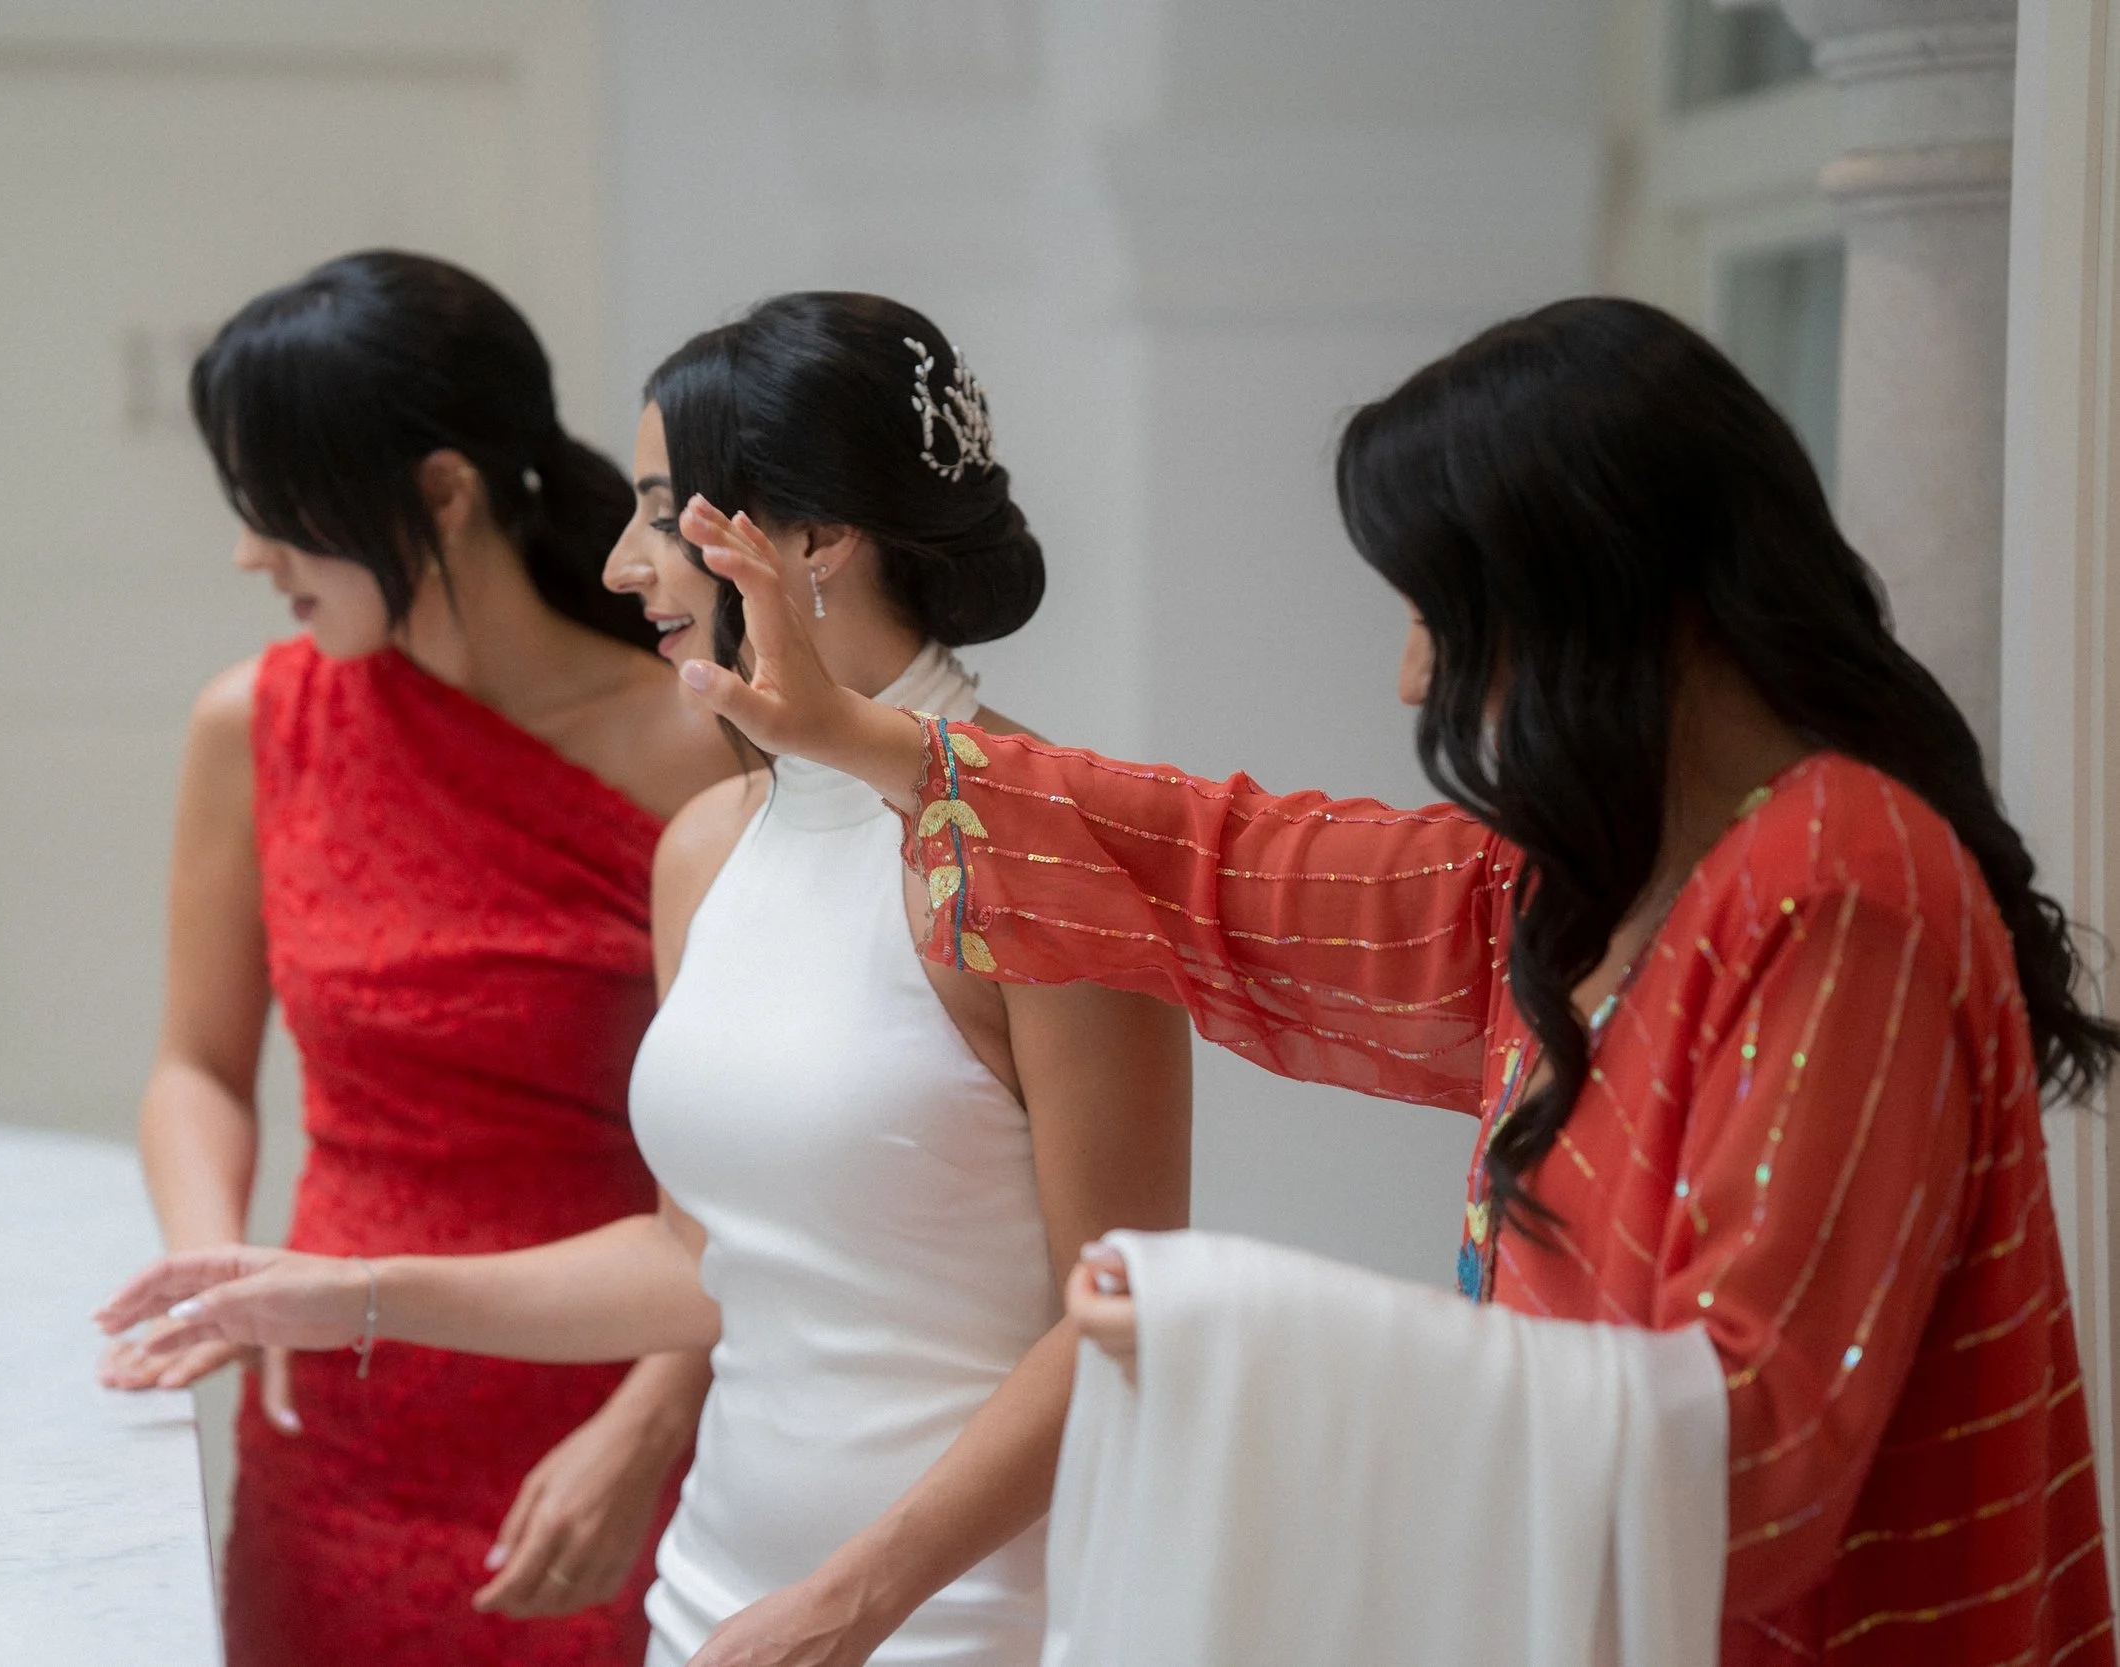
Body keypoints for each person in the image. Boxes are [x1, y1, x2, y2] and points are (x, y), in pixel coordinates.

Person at [659, 297, 2119, 1665]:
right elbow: (1229, 864)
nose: (1414, 677)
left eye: (1438, 610)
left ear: (1597, 599)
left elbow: (1752, 1461)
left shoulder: (1844, 885)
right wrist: (869, 740)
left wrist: (1256, 1347)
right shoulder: (1582, 884)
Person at [99, 292, 1195, 1667]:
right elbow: (698, 1262)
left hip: (955, 1621)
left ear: (817, 538)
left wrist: (847, 1605)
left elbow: (1122, 1321)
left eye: (662, 510)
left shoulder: (1051, 851)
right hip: (709, 1597)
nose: (622, 565)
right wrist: (347, 1289)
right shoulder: (712, 845)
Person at [96, 251, 733, 1667]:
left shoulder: (700, 746)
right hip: (336, 1443)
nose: (250, 553)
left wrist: (647, 1424)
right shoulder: (250, 726)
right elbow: (197, 1064)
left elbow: (769, 1187)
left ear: (443, 492)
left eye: (279, 509)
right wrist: (216, 1264)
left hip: (613, 1431)